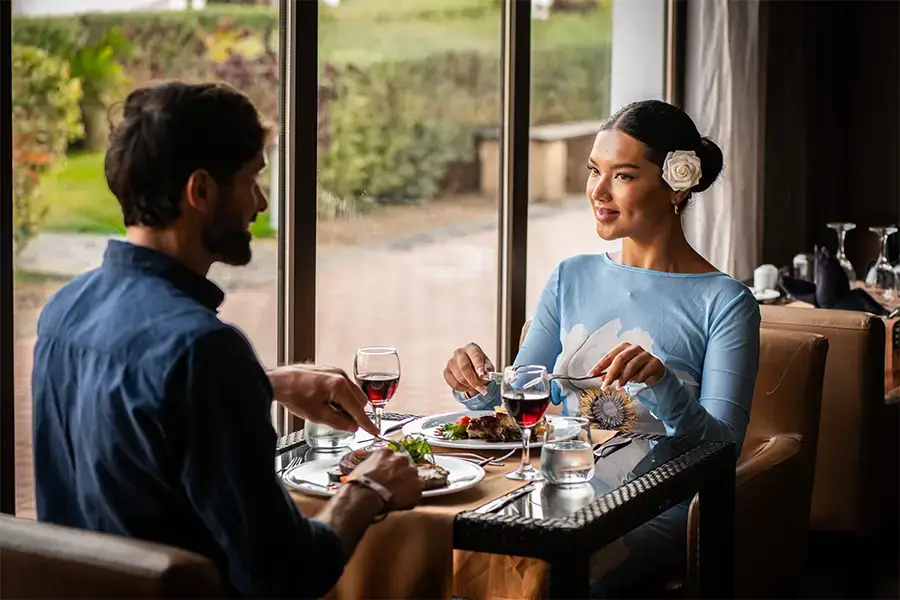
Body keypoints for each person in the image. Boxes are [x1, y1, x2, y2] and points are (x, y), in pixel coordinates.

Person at [31, 81, 422, 598]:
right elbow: (286, 574)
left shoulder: (63, 311)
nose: (260, 203)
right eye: (252, 180)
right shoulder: (205, 351)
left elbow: (142, 410)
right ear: (201, 191)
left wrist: (268, 383)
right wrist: (370, 488)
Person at [442, 99, 760, 596]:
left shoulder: (726, 302)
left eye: (623, 175)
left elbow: (723, 449)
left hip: (657, 504)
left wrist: (661, 383)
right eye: (595, 171)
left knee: (547, 574)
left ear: (676, 182)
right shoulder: (572, 276)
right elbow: (525, 397)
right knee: (440, 551)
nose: (598, 191)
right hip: (556, 486)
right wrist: (477, 383)